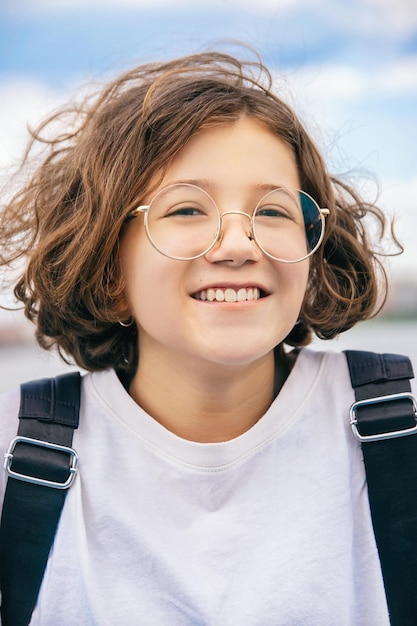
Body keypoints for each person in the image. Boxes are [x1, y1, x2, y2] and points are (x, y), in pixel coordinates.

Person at [0, 49, 414, 625]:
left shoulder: (402, 434)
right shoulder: (13, 458)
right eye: (188, 209)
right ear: (109, 268)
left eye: (272, 212)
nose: (239, 245)